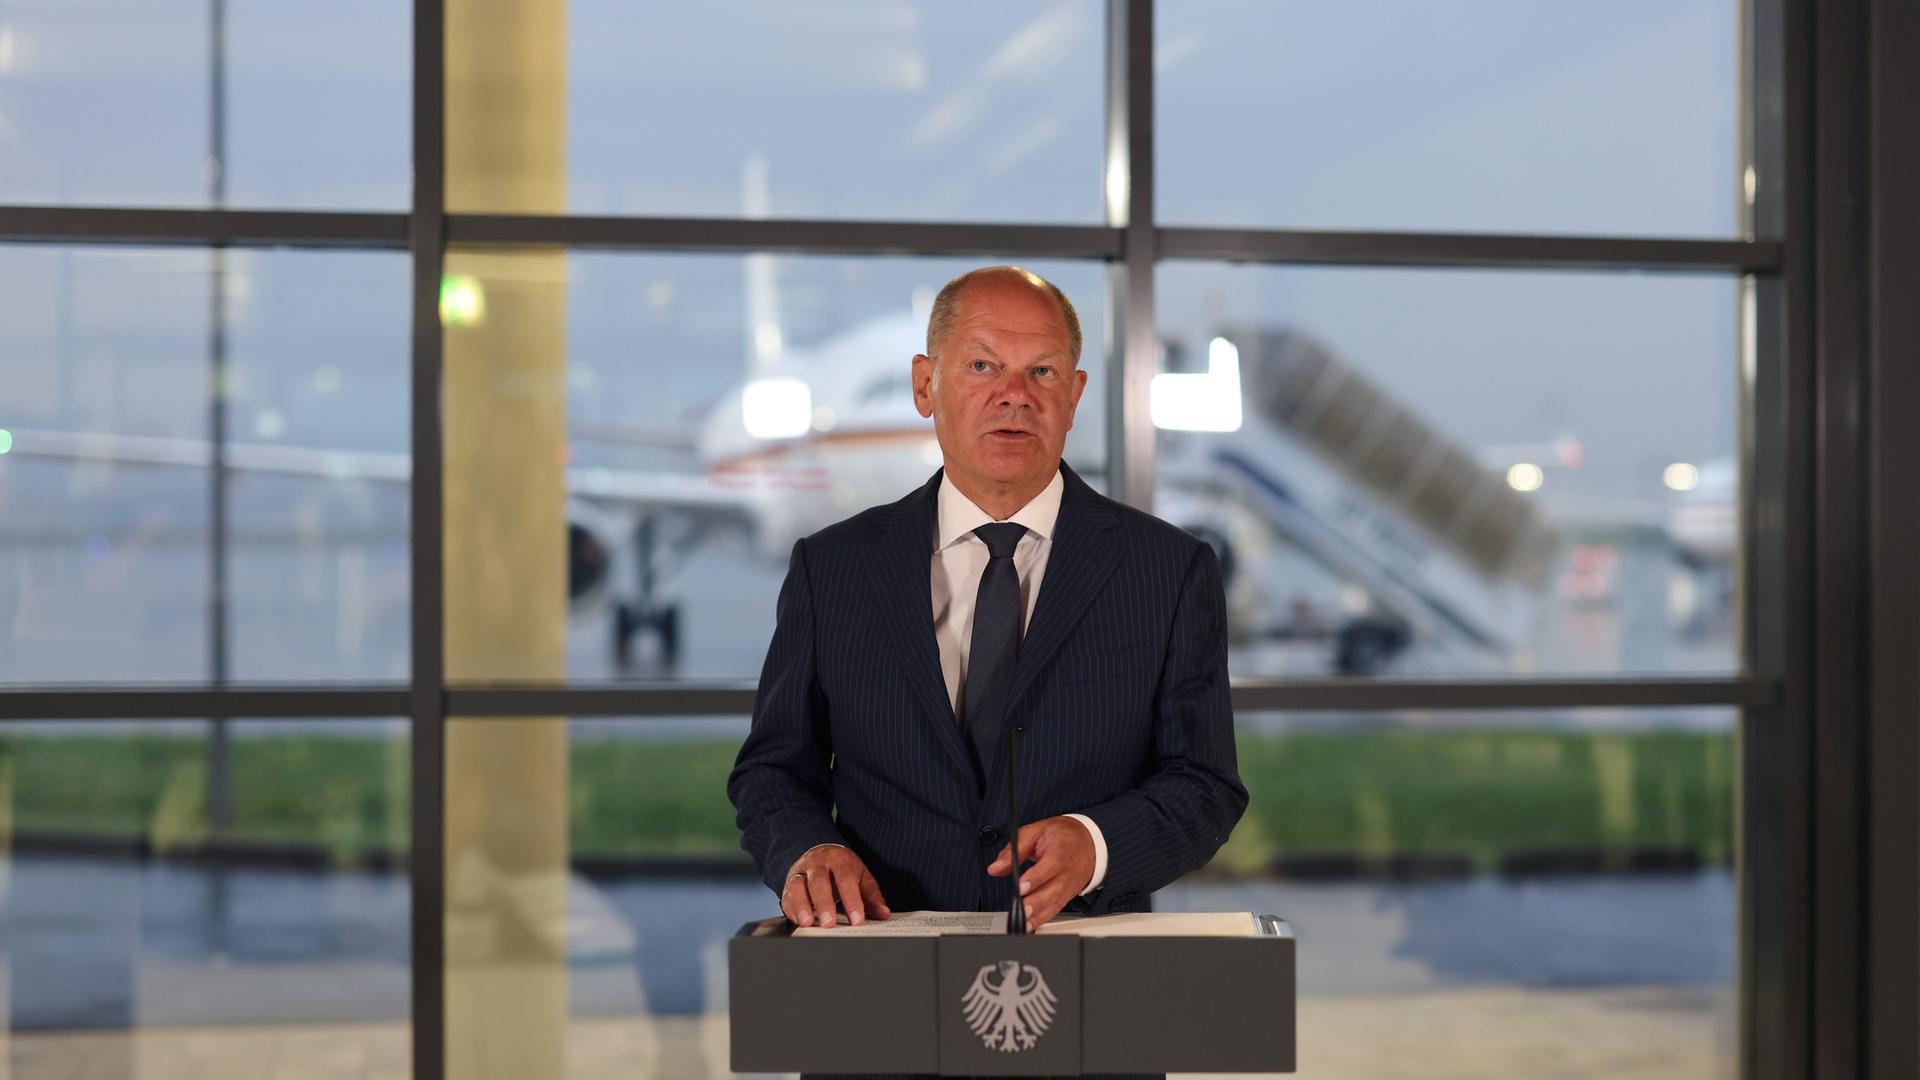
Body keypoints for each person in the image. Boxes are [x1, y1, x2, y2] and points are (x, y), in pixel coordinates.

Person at [728, 265, 1247, 937]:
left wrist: (1096, 844)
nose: (1014, 396)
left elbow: (1206, 785)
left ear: (1075, 394)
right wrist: (806, 849)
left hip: (1087, 966)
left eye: (1043, 372)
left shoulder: (1169, 571)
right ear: (926, 385)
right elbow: (773, 772)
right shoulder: (833, 570)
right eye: (981, 366)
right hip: (881, 959)